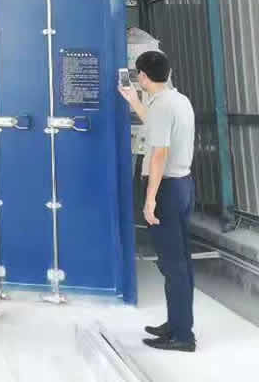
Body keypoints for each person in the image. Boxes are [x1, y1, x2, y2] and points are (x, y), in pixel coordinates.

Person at [119, 50, 197, 352]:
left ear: (142, 76)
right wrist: (133, 100)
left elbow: (159, 155)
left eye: (137, 74)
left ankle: (183, 337)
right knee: (180, 262)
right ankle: (177, 323)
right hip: (182, 185)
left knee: (172, 265)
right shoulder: (177, 100)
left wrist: (150, 200)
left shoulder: (163, 106)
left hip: (166, 189)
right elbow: (155, 125)